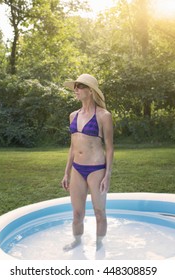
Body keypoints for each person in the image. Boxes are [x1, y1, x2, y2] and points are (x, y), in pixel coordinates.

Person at [61, 74, 114, 251]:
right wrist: (66, 172)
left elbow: (110, 147)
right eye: (75, 86)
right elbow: (72, 146)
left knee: (99, 212)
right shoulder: (72, 115)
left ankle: (99, 246)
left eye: (79, 86)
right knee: (77, 214)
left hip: (96, 169)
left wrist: (107, 175)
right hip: (77, 169)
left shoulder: (104, 115)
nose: (75, 89)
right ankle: (77, 241)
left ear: (90, 91)